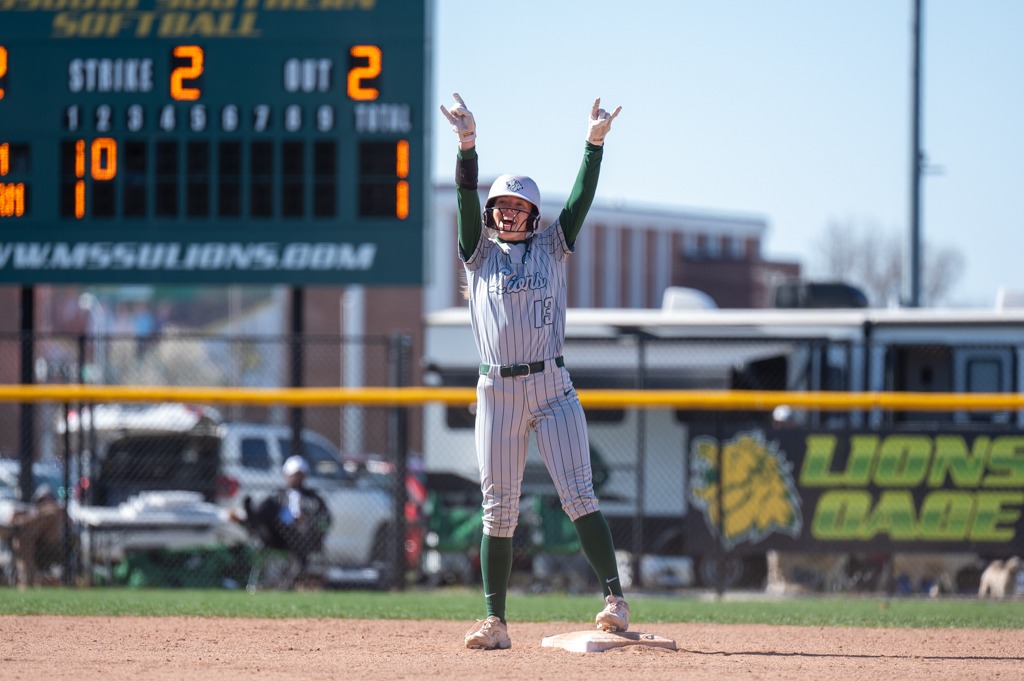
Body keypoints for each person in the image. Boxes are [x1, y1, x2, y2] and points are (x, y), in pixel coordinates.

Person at [440, 93, 627, 650]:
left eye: (517, 207)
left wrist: (593, 144)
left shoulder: (552, 245)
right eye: (502, 205)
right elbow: (463, 197)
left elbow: (582, 199)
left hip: (551, 386)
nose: (507, 213)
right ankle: (495, 621)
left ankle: (614, 599)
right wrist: (467, 146)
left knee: (578, 495)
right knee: (498, 509)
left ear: (533, 215)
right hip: (497, 390)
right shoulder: (478, 253)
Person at [233, 455, 331, 587]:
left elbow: (325, 518)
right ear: (286, 475)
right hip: (276, 535)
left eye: (299, 475)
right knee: (267, 509)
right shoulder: (277, 497)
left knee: (300, 530)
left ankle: (289, 581)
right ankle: (249, 517)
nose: (296, 478)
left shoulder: (313, 498)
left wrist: (306, 520)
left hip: (302, 537)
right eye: (293, 474)